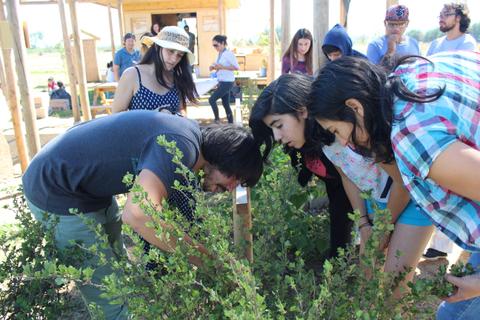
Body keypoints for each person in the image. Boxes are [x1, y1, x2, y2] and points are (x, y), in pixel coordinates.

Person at [22, 111, 263, 320]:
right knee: (111, 299)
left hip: (89, 189)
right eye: (237, 180)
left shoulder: (189, 139)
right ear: (226, 159)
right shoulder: (180, 145)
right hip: (54, 189)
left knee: (119, 275)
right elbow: (138, 215)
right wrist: (209, 262)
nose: (232, 189)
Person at [307, 52, 480, 319]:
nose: (341, 142)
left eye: (335, 130)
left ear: (355, 107)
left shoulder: (413, 137)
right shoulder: (402, 80)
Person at [249, 73, 353, 258]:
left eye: (279, 125)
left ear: (302, 110)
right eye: (272, 129)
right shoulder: (301, 143)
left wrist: (366, 225)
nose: (277, 137)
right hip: (340, 193)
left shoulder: (339, 138)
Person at [423, 2, 477, 262]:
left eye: (446, 14)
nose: (441, 18)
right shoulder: (434, 45)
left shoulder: (467, 44)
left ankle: (447, 246)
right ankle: (435, 241)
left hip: (457, 116)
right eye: (440, 14)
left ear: (459, 18)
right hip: (434, 114)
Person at [111, 26, 197, 116]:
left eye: (180, 55)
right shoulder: (132, 75)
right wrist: (153, 118)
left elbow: (182, 109)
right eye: (170, 51)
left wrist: (179, 115)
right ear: (157, 47)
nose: (174, 59)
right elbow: (116, 115)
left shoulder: (177, 77)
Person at [367, 4, 419, 71]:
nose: (396, 29)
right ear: (385, 23)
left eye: (401, 24)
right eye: (392, 24)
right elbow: (372, 75)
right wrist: (390, 51)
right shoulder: (375, 45)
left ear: (407, 23)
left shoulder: (413, 43)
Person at [208, 34, 239, 123]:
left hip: (227, 83)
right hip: (222, 82)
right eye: (213, 45)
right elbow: (220, 66)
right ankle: (231, 123)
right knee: (226, 104)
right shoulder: (220, 54)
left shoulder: (229, 54)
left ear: (222, 43)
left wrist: (221, 67)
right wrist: (213, 67)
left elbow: (236, 67)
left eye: (216, 45)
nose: (215, 47)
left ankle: (217, 120)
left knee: (211, 100)